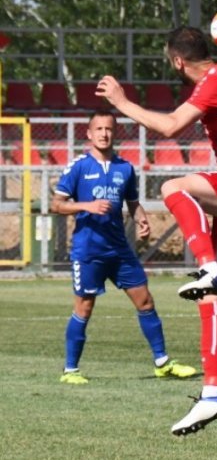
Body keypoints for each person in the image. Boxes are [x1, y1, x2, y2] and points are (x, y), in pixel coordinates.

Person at [95, 26, 217, 436]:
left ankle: (208, 265)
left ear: (178, 61)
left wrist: (122, 101)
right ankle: (213, 393)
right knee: (211, 295)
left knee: (173, 187)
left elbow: (171, 126)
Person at [51, 110, 196, 384]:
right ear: (89, 134)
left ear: (114, 133)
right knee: (84, 307)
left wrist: (141, 219)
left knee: (145, 301)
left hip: (119, 250)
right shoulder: (78, 167)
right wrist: (86, 205)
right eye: (99, 129)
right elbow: (56, 204)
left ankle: (162, 362)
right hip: (89, 250)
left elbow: (132, 202)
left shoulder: (125, 169)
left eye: (109, 129)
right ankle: (70, 370)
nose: (104, 133)